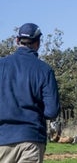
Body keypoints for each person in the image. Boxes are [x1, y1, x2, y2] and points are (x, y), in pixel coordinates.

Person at [0, 23, 60, 162]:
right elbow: (52, 111)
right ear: (38, 43)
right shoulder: (44, 70)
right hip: (31, 140)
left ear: (17, 41)